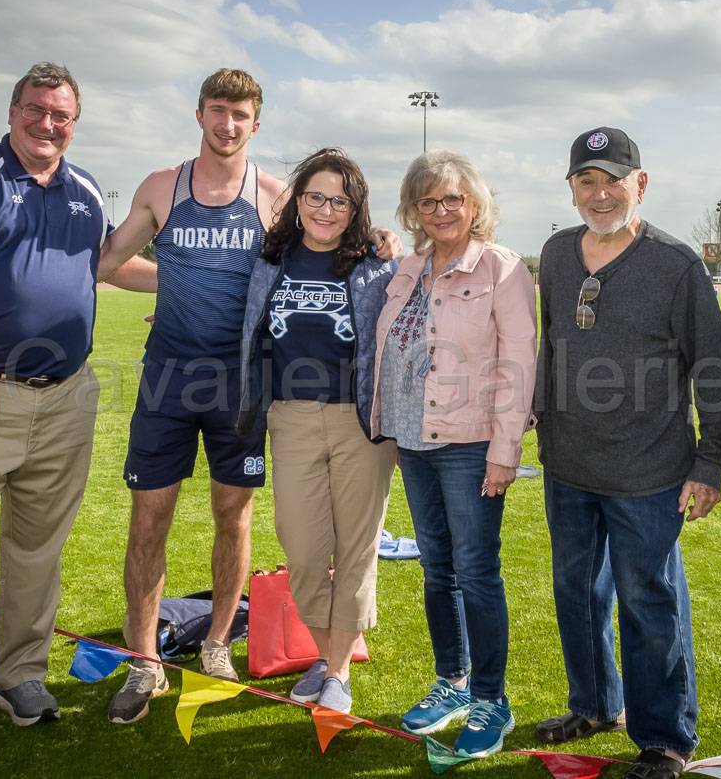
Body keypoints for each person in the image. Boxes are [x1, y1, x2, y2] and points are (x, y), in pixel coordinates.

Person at [95, 68, 398, 725]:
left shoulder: (274, 195)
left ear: (255, 123)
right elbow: (107, 261)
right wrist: (170, 285)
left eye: (240, 114)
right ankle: (145, 660)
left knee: (234, 516)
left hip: (242, 383)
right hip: (168, 377)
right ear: (199, 113)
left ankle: (213, 644)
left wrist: (379, 242)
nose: (227, 124)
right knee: (149, 518)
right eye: (217, 110)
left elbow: (325, 241)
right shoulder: (160, 187)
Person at [0, 62, 154, 770]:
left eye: (62, 115)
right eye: (36, 110)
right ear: (13, 112)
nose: (48, 124)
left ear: (75, 123)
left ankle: (18, 677)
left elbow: (105, 265)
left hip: (65, 398)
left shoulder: (81, 190)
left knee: (36, 555)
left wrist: (198, 278)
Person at [534, 127, 721, 779]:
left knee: (649, 600)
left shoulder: (676, 264)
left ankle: (665, 738)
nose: (600, 194)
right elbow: (552, 345)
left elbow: (711, 366)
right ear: (570, 190)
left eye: (612, 180)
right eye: (586, 181)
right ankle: (595, 704)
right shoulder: (558, 253)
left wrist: (711, 461)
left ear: (640, 184)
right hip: (568, 466)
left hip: (648, 471)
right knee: (576, 591)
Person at [372, 150, 536, 758]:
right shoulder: (408, 267)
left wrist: (504, 451)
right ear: (414, 210)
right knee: (437, 570)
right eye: (428, 201)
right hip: (413, 442)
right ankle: (452, 683)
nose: (442, 211)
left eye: (453, 200)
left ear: (475, 205)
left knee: (475, 572)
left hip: (471, 447)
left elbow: (520, 365)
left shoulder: (501, 267)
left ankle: (492, 699)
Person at [237, 148, 397, 713]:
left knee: (356, 549)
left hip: (361, 424)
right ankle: (333, 656)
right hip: (291, 417)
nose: (326, 209)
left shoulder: (377, 264)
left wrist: (389, 243)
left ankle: (334, 673)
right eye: (315, 197)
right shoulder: (269, 259)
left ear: (355, 207)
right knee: (303, 550)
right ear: (297, 201)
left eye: (339, 199)